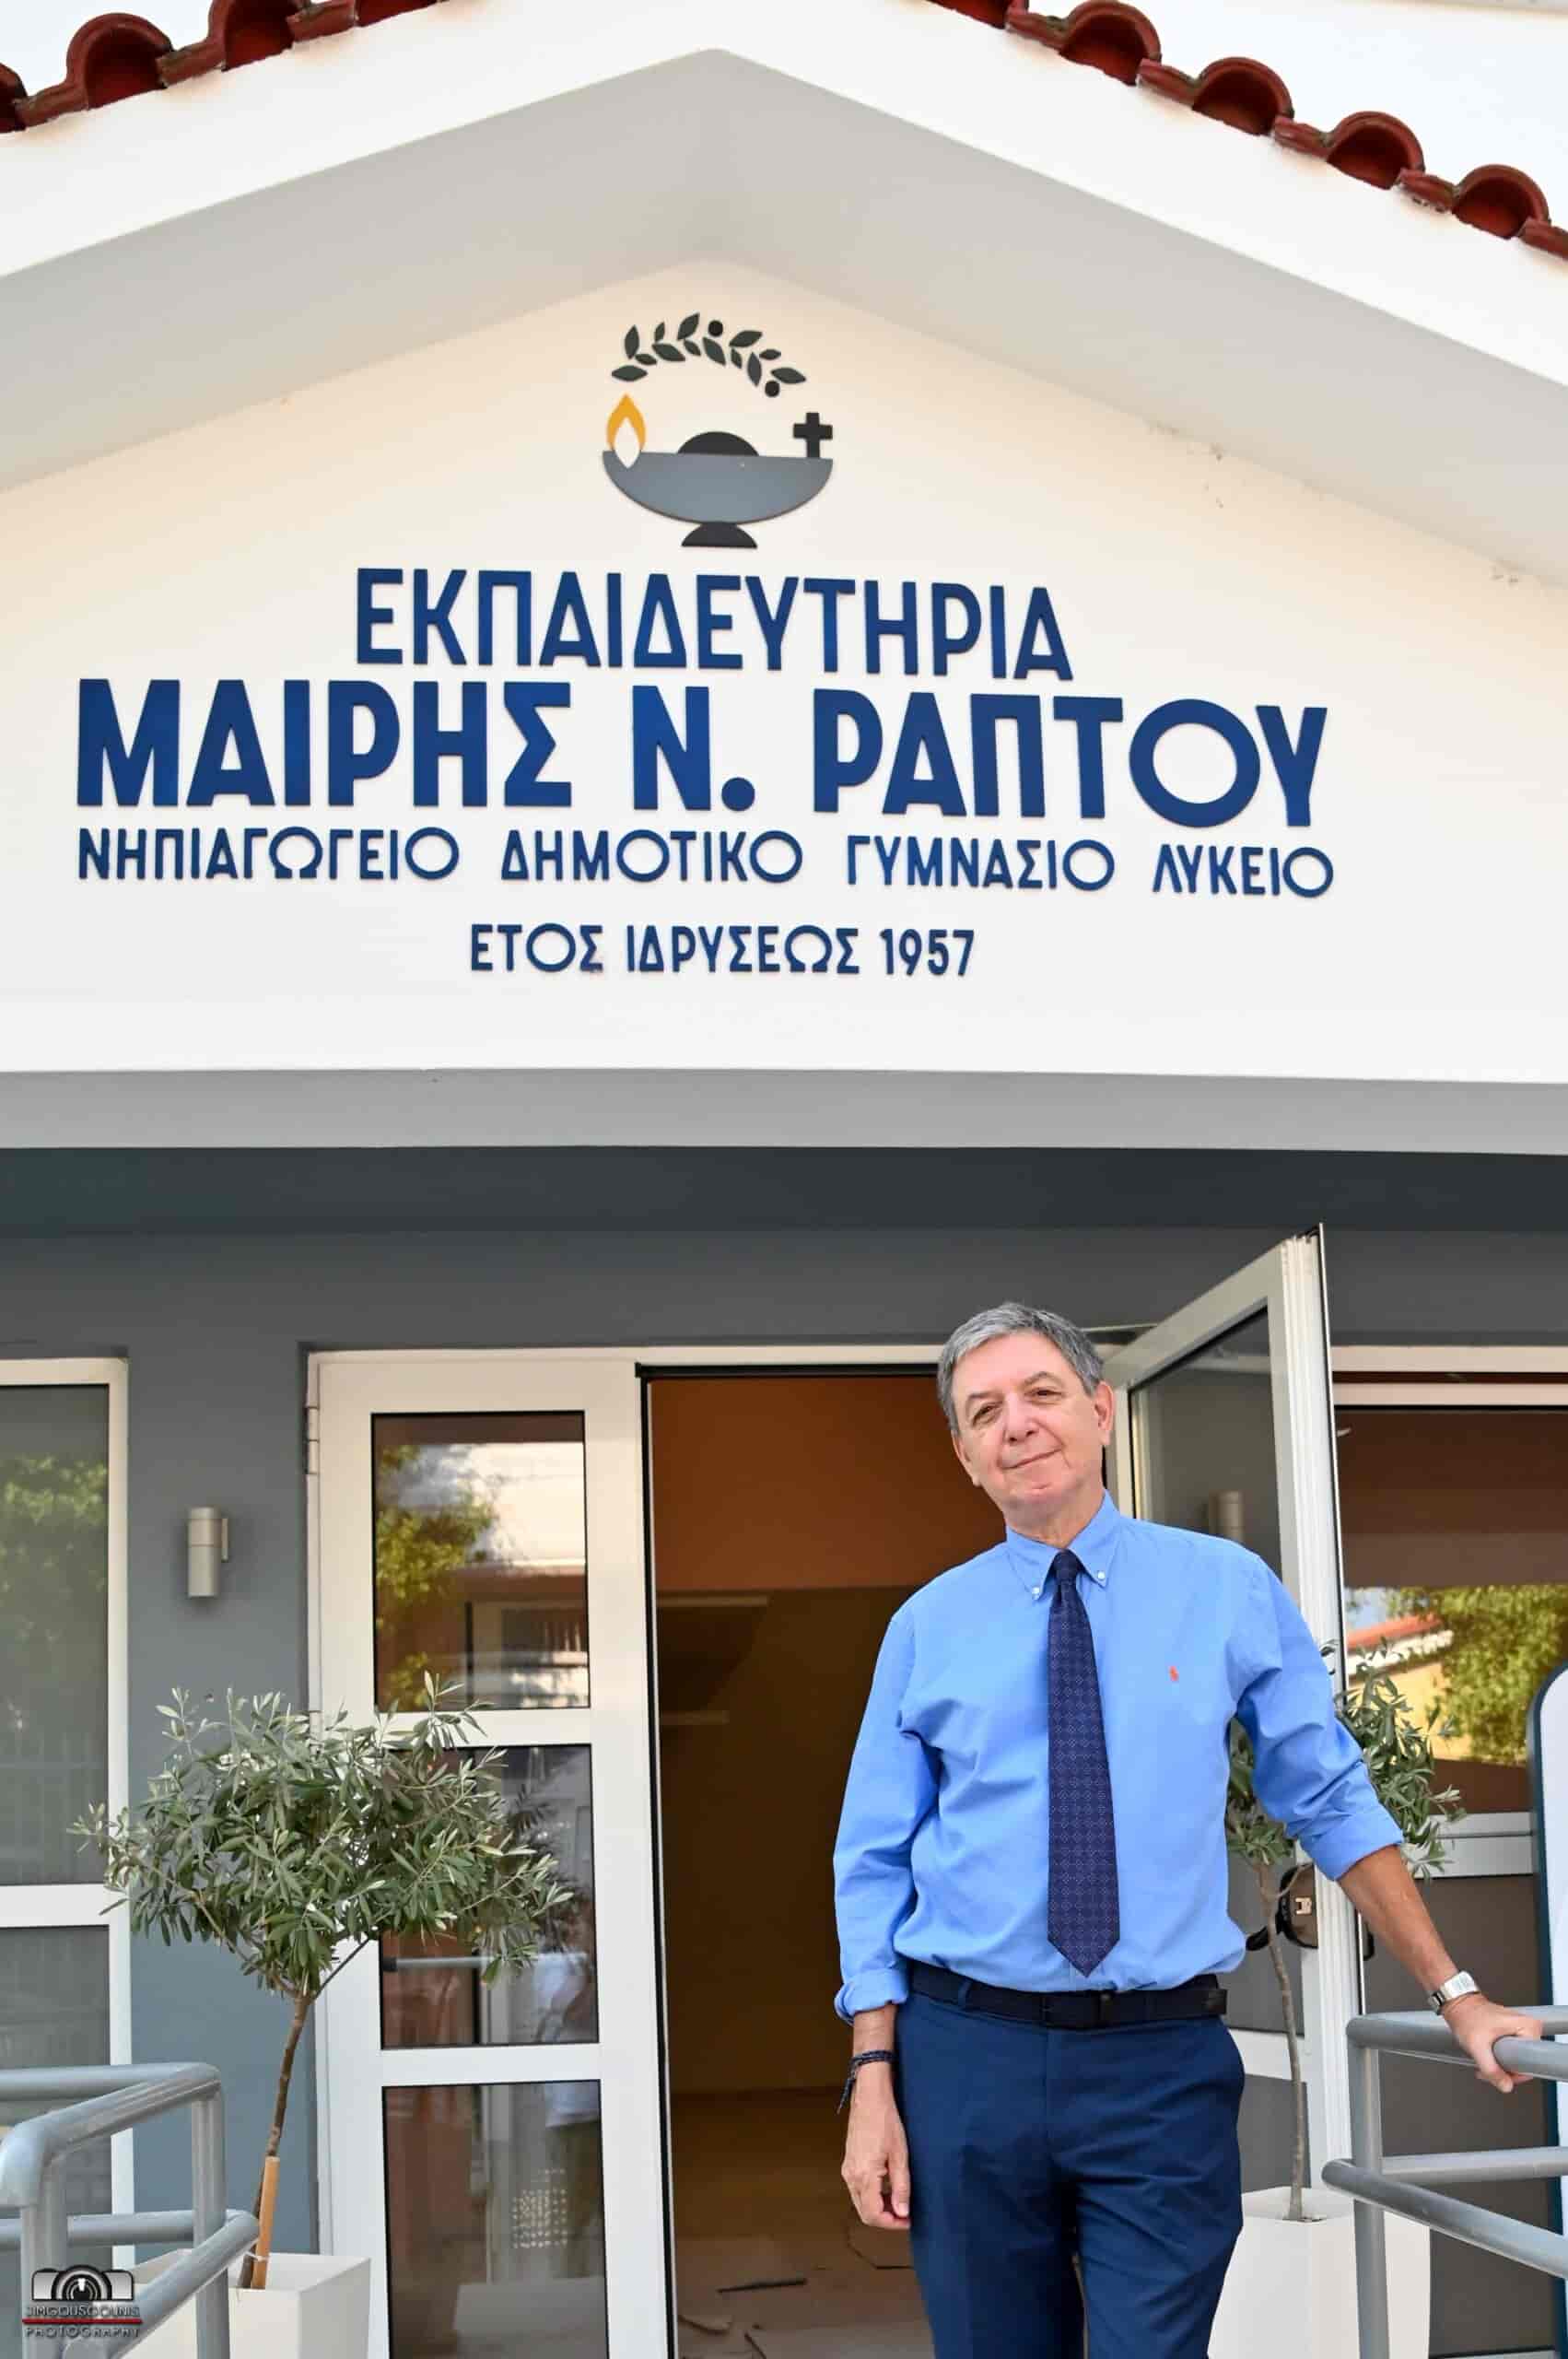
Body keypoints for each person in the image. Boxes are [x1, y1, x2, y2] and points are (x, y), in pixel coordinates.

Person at [832, 1302, 1542, 2359]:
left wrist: (1457, 1992)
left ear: (1100, 1409)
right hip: (967, 2061)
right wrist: (872, 2078)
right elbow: (871, 1859)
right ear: (964, 1454)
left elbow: (1328, 1796)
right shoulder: (925, 1626)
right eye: (983, 1412)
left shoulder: (1224, 1588)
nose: (1015, 1424)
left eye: (1040, 1393)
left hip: (1156, 2068)